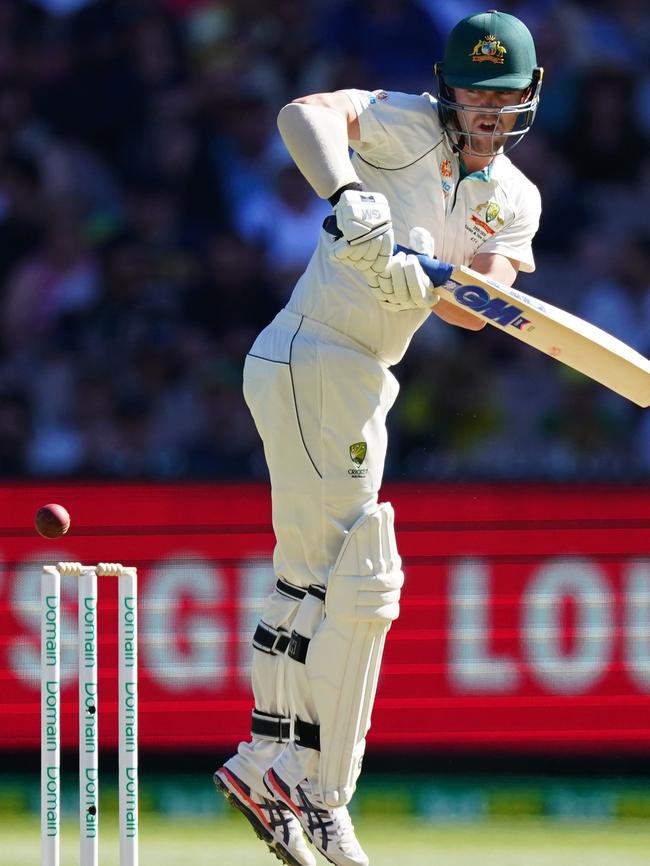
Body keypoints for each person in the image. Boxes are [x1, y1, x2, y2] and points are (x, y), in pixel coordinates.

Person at [214, 10, 543, 866]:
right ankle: (319, 793)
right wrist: (349, 198)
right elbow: (302, 116)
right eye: (473, 90)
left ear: (529, 100)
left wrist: (432, 278)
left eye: (502, 96)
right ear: (446, 87)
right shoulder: (398, 122)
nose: (486, 109)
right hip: (314, 351)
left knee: (313, 578)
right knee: (367, 575)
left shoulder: (515, 199)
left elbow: (482, 307)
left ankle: (270, 761)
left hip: (360, 374)